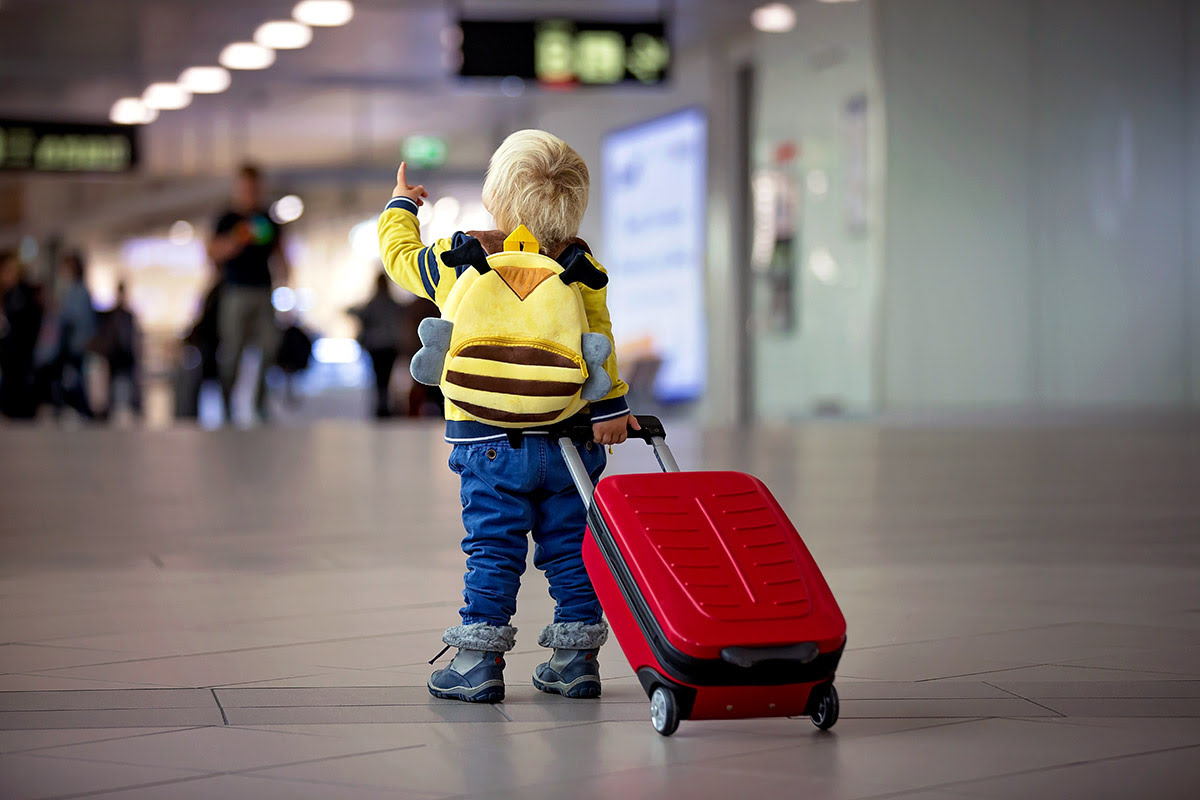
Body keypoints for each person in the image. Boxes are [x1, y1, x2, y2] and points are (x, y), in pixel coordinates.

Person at [378, 130, 636, 703]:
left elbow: (398, 259)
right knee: (572, 547)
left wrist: (402, 207)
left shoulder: (465, 254)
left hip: (486, 438)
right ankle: (574, 661)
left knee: (493, 547)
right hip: (570, 439)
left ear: (495, 196)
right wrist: (612, 408)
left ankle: (478, 662)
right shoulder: (578, 261)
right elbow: (600, 339)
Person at [207, 164, 290, 423]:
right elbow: (212, 253)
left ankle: (260, 403)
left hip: (263, 291)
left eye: (254, 187)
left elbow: (280, 254)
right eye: (246, 187)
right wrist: (236, 239)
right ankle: (227, 404)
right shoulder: (226, 219)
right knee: (232, 352)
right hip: (235, 292)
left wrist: (287, 279)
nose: (250, 192)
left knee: (269, 347)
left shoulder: (269, 219)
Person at [349, 273, 404, 418]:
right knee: (383, 378)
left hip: (379, 346)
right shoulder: (389, 304)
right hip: (386, 346)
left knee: (380, 378)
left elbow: (355, 312)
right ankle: (383, 405)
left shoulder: (375, 304)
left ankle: (382, 405)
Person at [0, 251, 44, 419]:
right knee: (11, 378)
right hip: (10, 345)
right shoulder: (9, 293)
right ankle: (11, 409)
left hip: (24, 346)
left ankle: (23, 409)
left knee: (22, 378)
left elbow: (34, 318)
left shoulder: (25, 293)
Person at [52, 251, 96, 420]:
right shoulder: (69, 290)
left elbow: (80, 318)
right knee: (72, 376)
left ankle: (83, 410)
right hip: (69, 342)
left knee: (77, 377)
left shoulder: (81, 291)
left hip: (78, 342)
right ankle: (78, 408)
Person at [93, 282, 142, 421]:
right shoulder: (114, 314)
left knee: (128, 381)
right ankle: (111, 407)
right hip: (116, 353)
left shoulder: (126, 314)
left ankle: (133, 406)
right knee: (112, 381)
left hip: (124, 352)